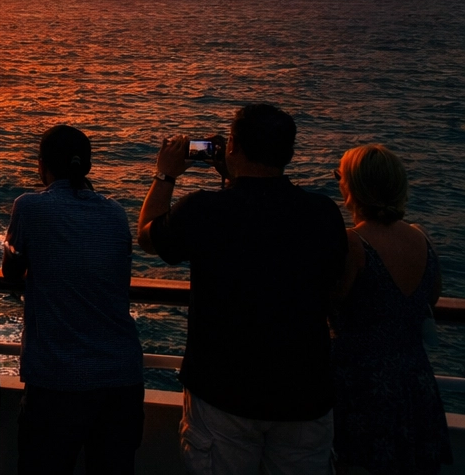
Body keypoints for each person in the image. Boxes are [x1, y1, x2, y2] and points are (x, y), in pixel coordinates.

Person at [137, 103, 347, 475]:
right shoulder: (323, 213)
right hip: (303, 393)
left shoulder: (204, 210)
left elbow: (149, 235)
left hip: (224, 391)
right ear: (290, 153)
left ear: (231, 146)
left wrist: (165, 175)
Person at [3, 125, 144, 475]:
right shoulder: (115, 212)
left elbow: (11, 270)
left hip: (58, 379)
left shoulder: (30, 207)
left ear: (42, 165)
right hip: (121, 377)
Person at [330, 144, 451, 475]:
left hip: (361, 384)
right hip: (414, 381)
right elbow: (431, 297)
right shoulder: (421, 238)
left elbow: (329, 300)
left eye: (339, 176)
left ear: (352, 187)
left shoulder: (353, 244)